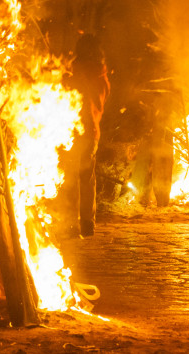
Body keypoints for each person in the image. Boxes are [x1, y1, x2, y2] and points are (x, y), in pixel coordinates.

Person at [61, 33, 110, 238]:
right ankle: (88, 224)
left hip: (75, 131)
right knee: (87, 179)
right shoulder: (103, 75)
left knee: (71, 178)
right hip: (93, 133)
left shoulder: (76, 71)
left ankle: (71, 224)